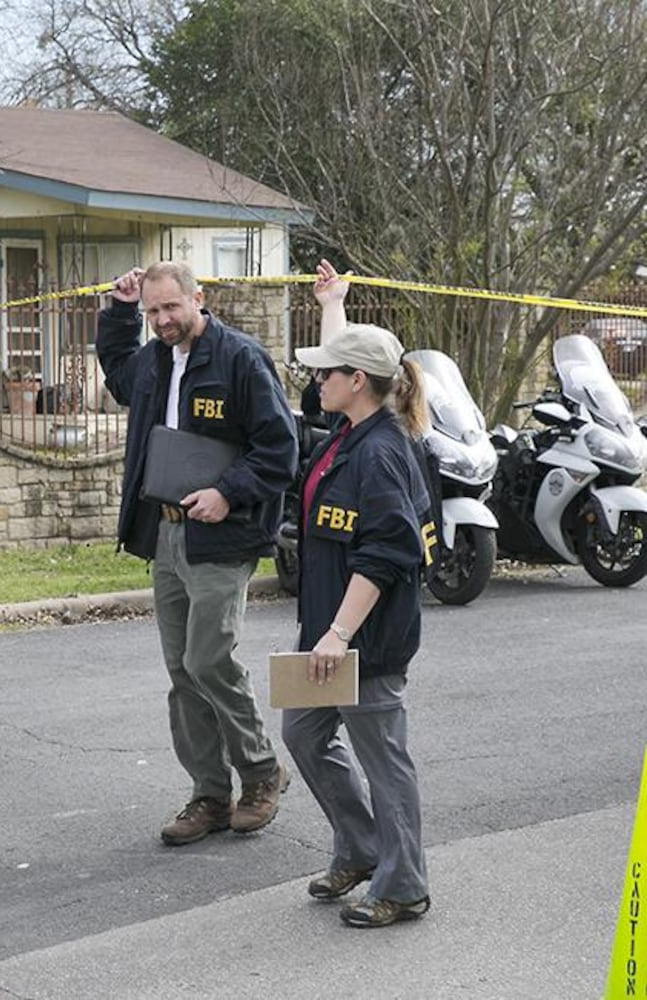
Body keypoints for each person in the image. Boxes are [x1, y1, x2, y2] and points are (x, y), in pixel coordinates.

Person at [97, 261, 298, 843]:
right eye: (152, 312)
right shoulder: (153, 361)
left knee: (210, 658)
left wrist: (225, 492)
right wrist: (116, 313)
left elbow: (279, 450)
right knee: (183, 670)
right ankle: (209, 795)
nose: (161, 320)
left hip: (222, 532)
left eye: (170, 309)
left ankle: (262, 772)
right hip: (164, 532)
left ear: (197, 300)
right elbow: (115, 376)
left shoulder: (240, 359)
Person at [283, 265, 435, 928]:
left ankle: (403, 886)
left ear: (357, 383)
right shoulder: (350, 430)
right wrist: (333, 306)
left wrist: (339, 633)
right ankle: (361, 848)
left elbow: (387, 552)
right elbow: (341, 370)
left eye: (327, 372)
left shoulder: (379, 454)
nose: (317, 382)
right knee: (303, 731)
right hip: (326, 627)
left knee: (383, 760)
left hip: (362, 637)